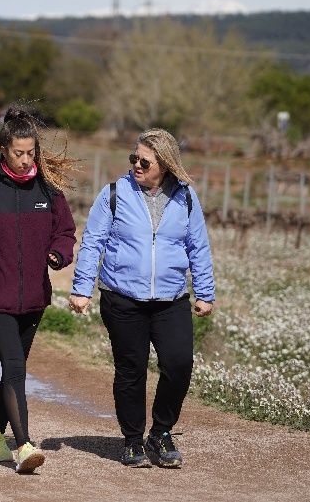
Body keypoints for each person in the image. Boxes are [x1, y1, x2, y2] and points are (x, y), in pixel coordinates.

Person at [68, 129, 215, 469]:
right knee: (130, 371)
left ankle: (161, 433)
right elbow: (93, 242)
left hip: (171, 298)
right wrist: (82, 287)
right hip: (123, 298)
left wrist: (205, 292)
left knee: (178, 365)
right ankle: (133, 439)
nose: (136, 164)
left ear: (164, 164)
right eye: (133, 158)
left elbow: (198, 246)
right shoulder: (115, 194)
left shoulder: (186, 198)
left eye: (144, 161)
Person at [0, 106, 77, 474]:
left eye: (30, 153)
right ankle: (23, 444)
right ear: (4, 150)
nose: (26, 161)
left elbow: (65, 231)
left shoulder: (49, 191)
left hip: (35, 297)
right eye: (18, 153)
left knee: (15, 370)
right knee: (14, 366)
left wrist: (58, 253)